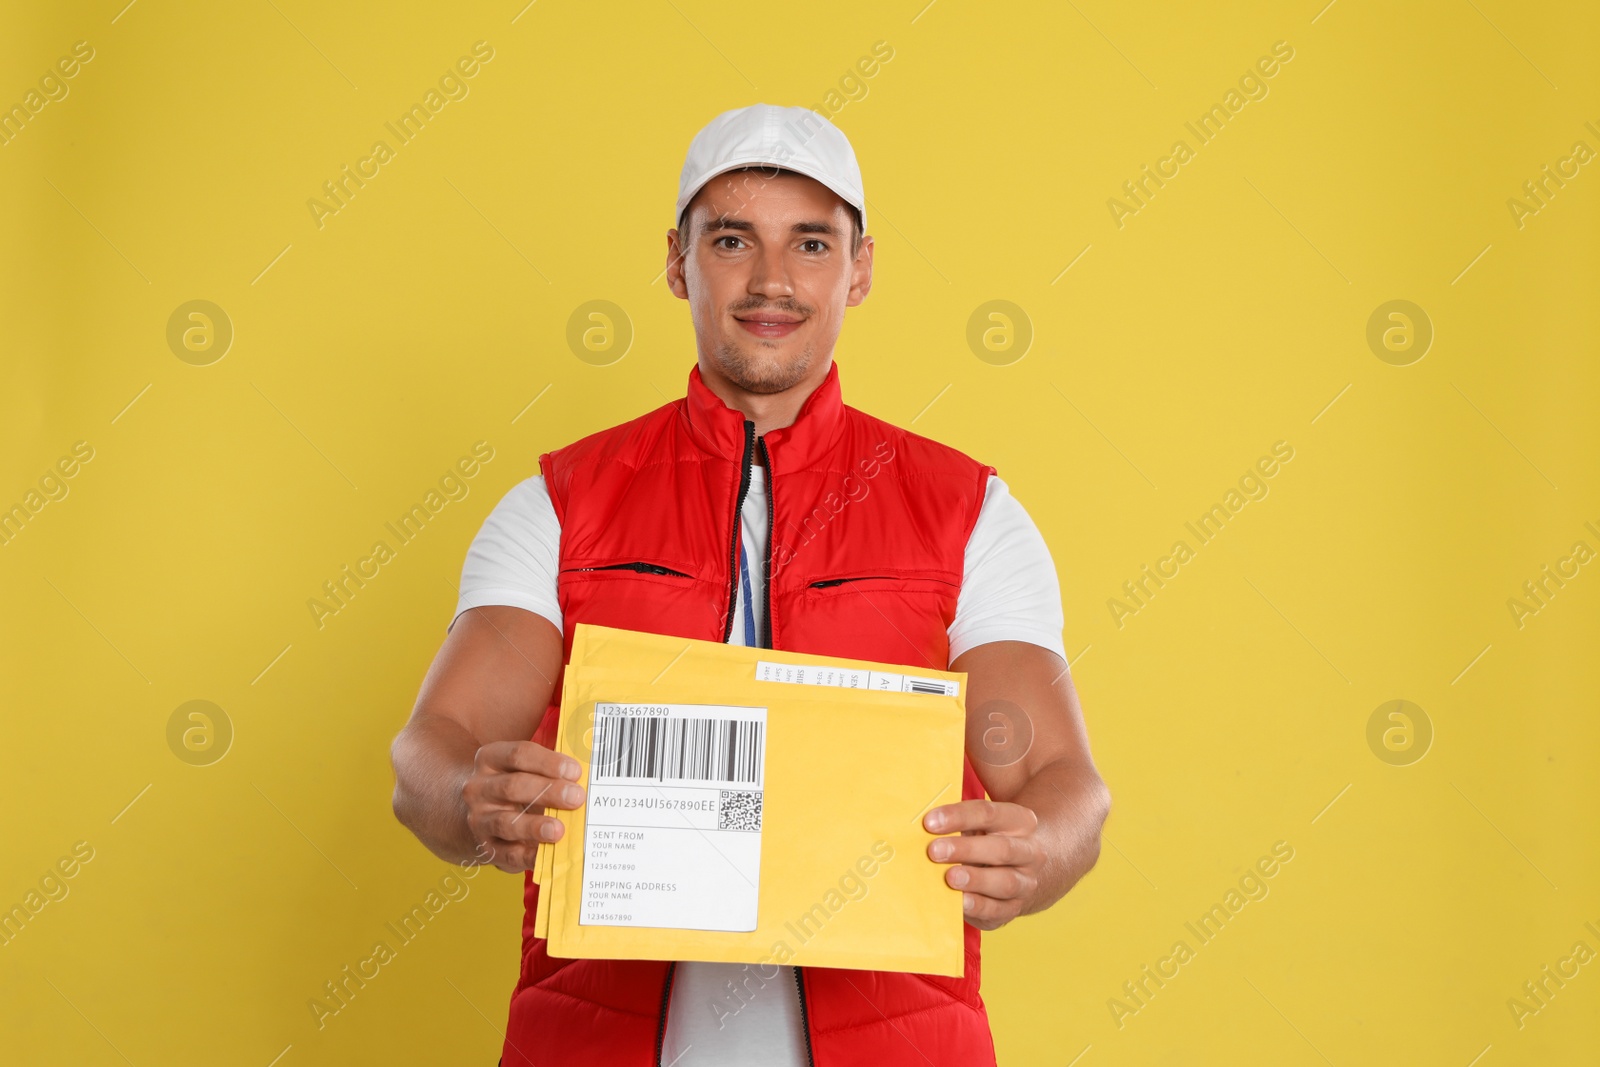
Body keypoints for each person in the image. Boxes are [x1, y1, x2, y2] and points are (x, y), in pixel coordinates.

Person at [390, 102, 1110, 1067]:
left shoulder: (968, 510)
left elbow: (1064, 785)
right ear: (679, 261)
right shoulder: (559, 504)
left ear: (858, 271)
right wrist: (466, 799)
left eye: (811, 243)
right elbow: (429, 753)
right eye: (733, 239)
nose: (772, 280)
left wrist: (1037, 851)